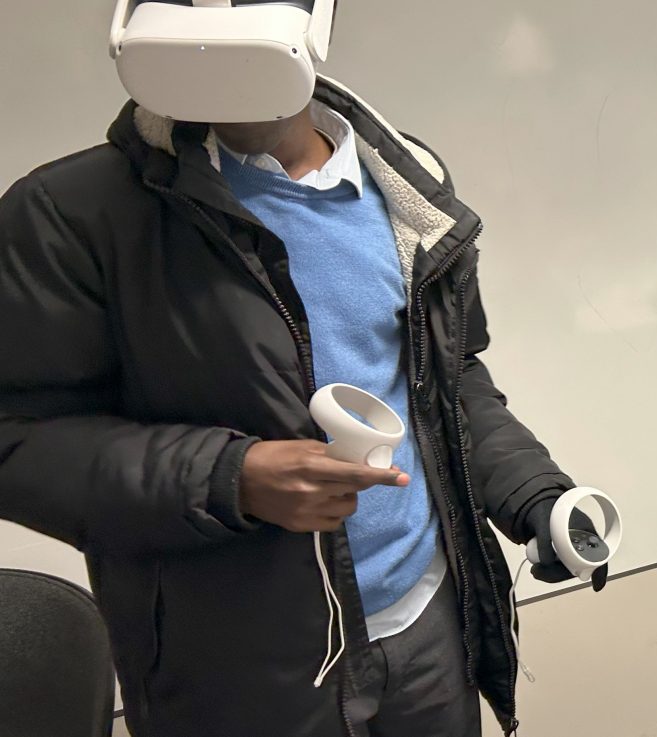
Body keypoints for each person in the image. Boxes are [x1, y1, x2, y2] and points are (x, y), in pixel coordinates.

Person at [0, 3, 594, 734]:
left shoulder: (407, 189)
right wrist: (230, 477)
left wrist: (534, 493)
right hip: (240, 664)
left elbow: (450, 379)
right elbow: (17, 442)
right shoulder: (74, 214)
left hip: (429, 622)